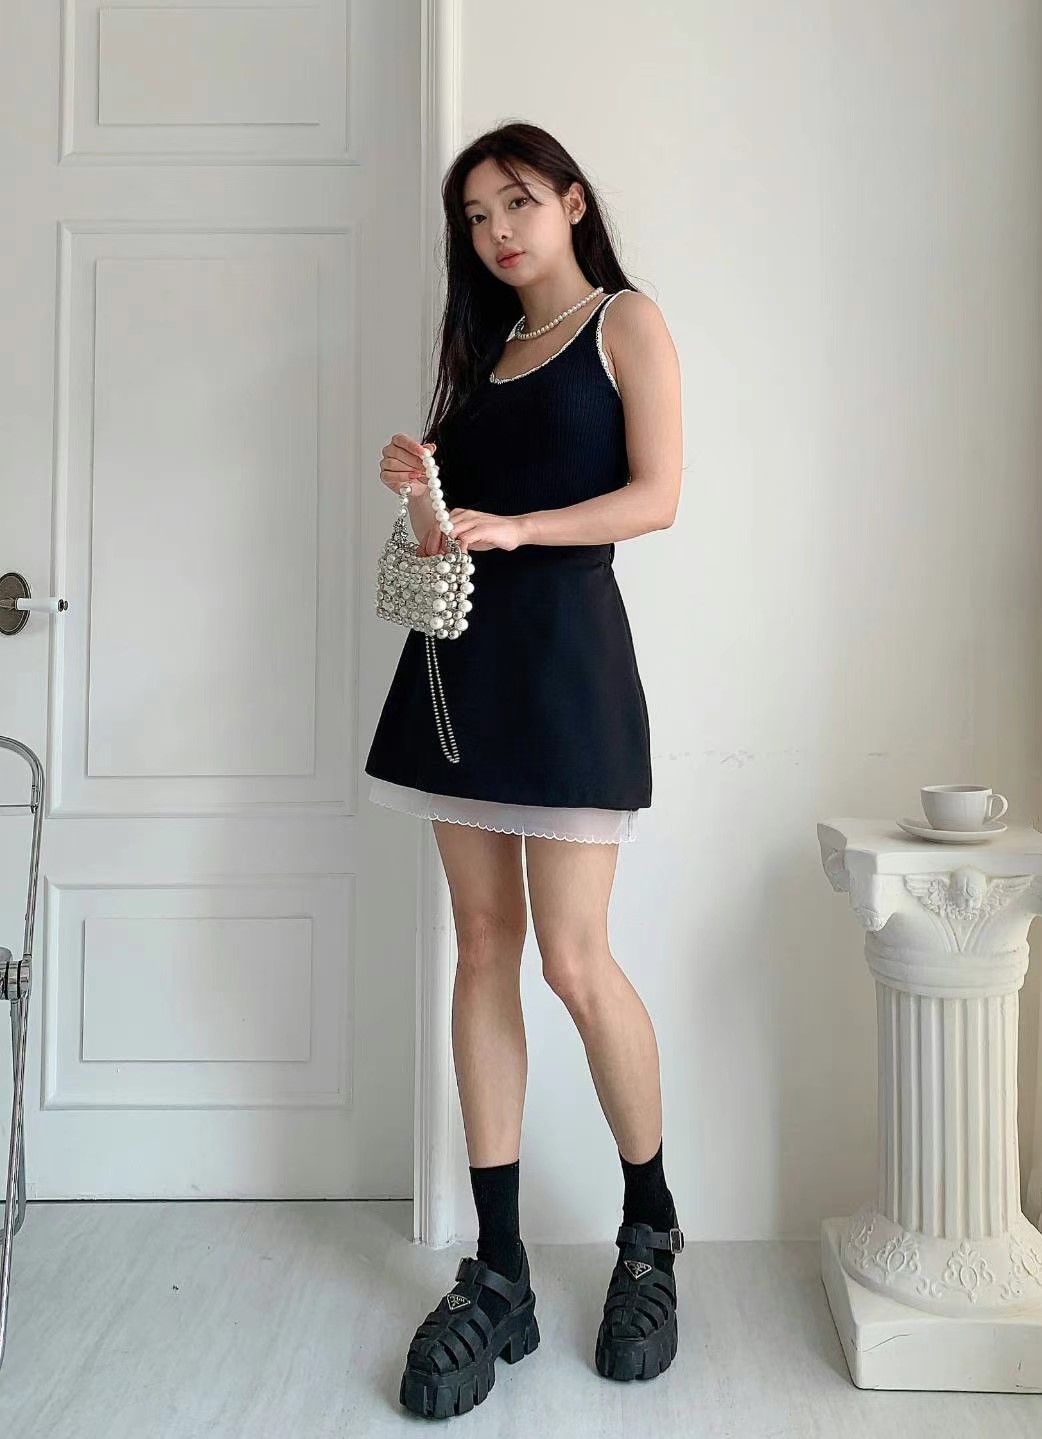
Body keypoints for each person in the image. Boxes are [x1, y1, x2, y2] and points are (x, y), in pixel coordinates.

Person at [365, 121, 683, 1419]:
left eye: (517, 202)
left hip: (566, 671)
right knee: (482, 950)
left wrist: (523, 527)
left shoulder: (624, 322)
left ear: (572, 202)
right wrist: (421, 493)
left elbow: (657, 496)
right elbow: (458, 539)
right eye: (477, 216)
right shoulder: (485, 352)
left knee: (575, 961)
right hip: (463, 673)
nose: (497, 231)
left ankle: (650, 1227)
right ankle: (499, 1269)